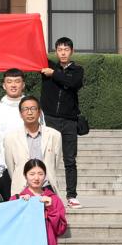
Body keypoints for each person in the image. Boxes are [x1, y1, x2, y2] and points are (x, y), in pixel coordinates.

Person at [10, 159, 67, 245]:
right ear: (25, 175)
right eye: (32, 174)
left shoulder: (54, 199)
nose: (36, 178)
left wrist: (51, 208)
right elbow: (11, 230)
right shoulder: (16, 199)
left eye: (40, 174)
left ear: (45, 176)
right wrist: (20, 207)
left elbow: (61, 229)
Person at [42, 37, 85, 208]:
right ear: (55, 51)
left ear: (72, 51)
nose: (63, 53)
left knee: (70, 160)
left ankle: (72, 196)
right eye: (60, 50)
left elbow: (73, 83)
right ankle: (46, 192)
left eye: (66, 50)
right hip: (50, 118)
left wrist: (54, 74)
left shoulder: (77, 70)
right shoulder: (47, 66)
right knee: (47, 157)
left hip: (69, 121)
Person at [3, 96, 64, 200]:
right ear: (20, 114)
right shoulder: (10, 138)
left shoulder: (54, 135)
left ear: (39, 112)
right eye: (25, 109)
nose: (29, 112)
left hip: (47, 188)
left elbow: (55, 165)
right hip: (22, 190)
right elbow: (11, 167)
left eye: (33, 108)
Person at [0, 68, 26, 150]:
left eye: (17, 81)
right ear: (4, 86)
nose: (13, 85)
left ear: (23, 85)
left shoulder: (33, 108)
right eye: (9, 82)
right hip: (2, 156)